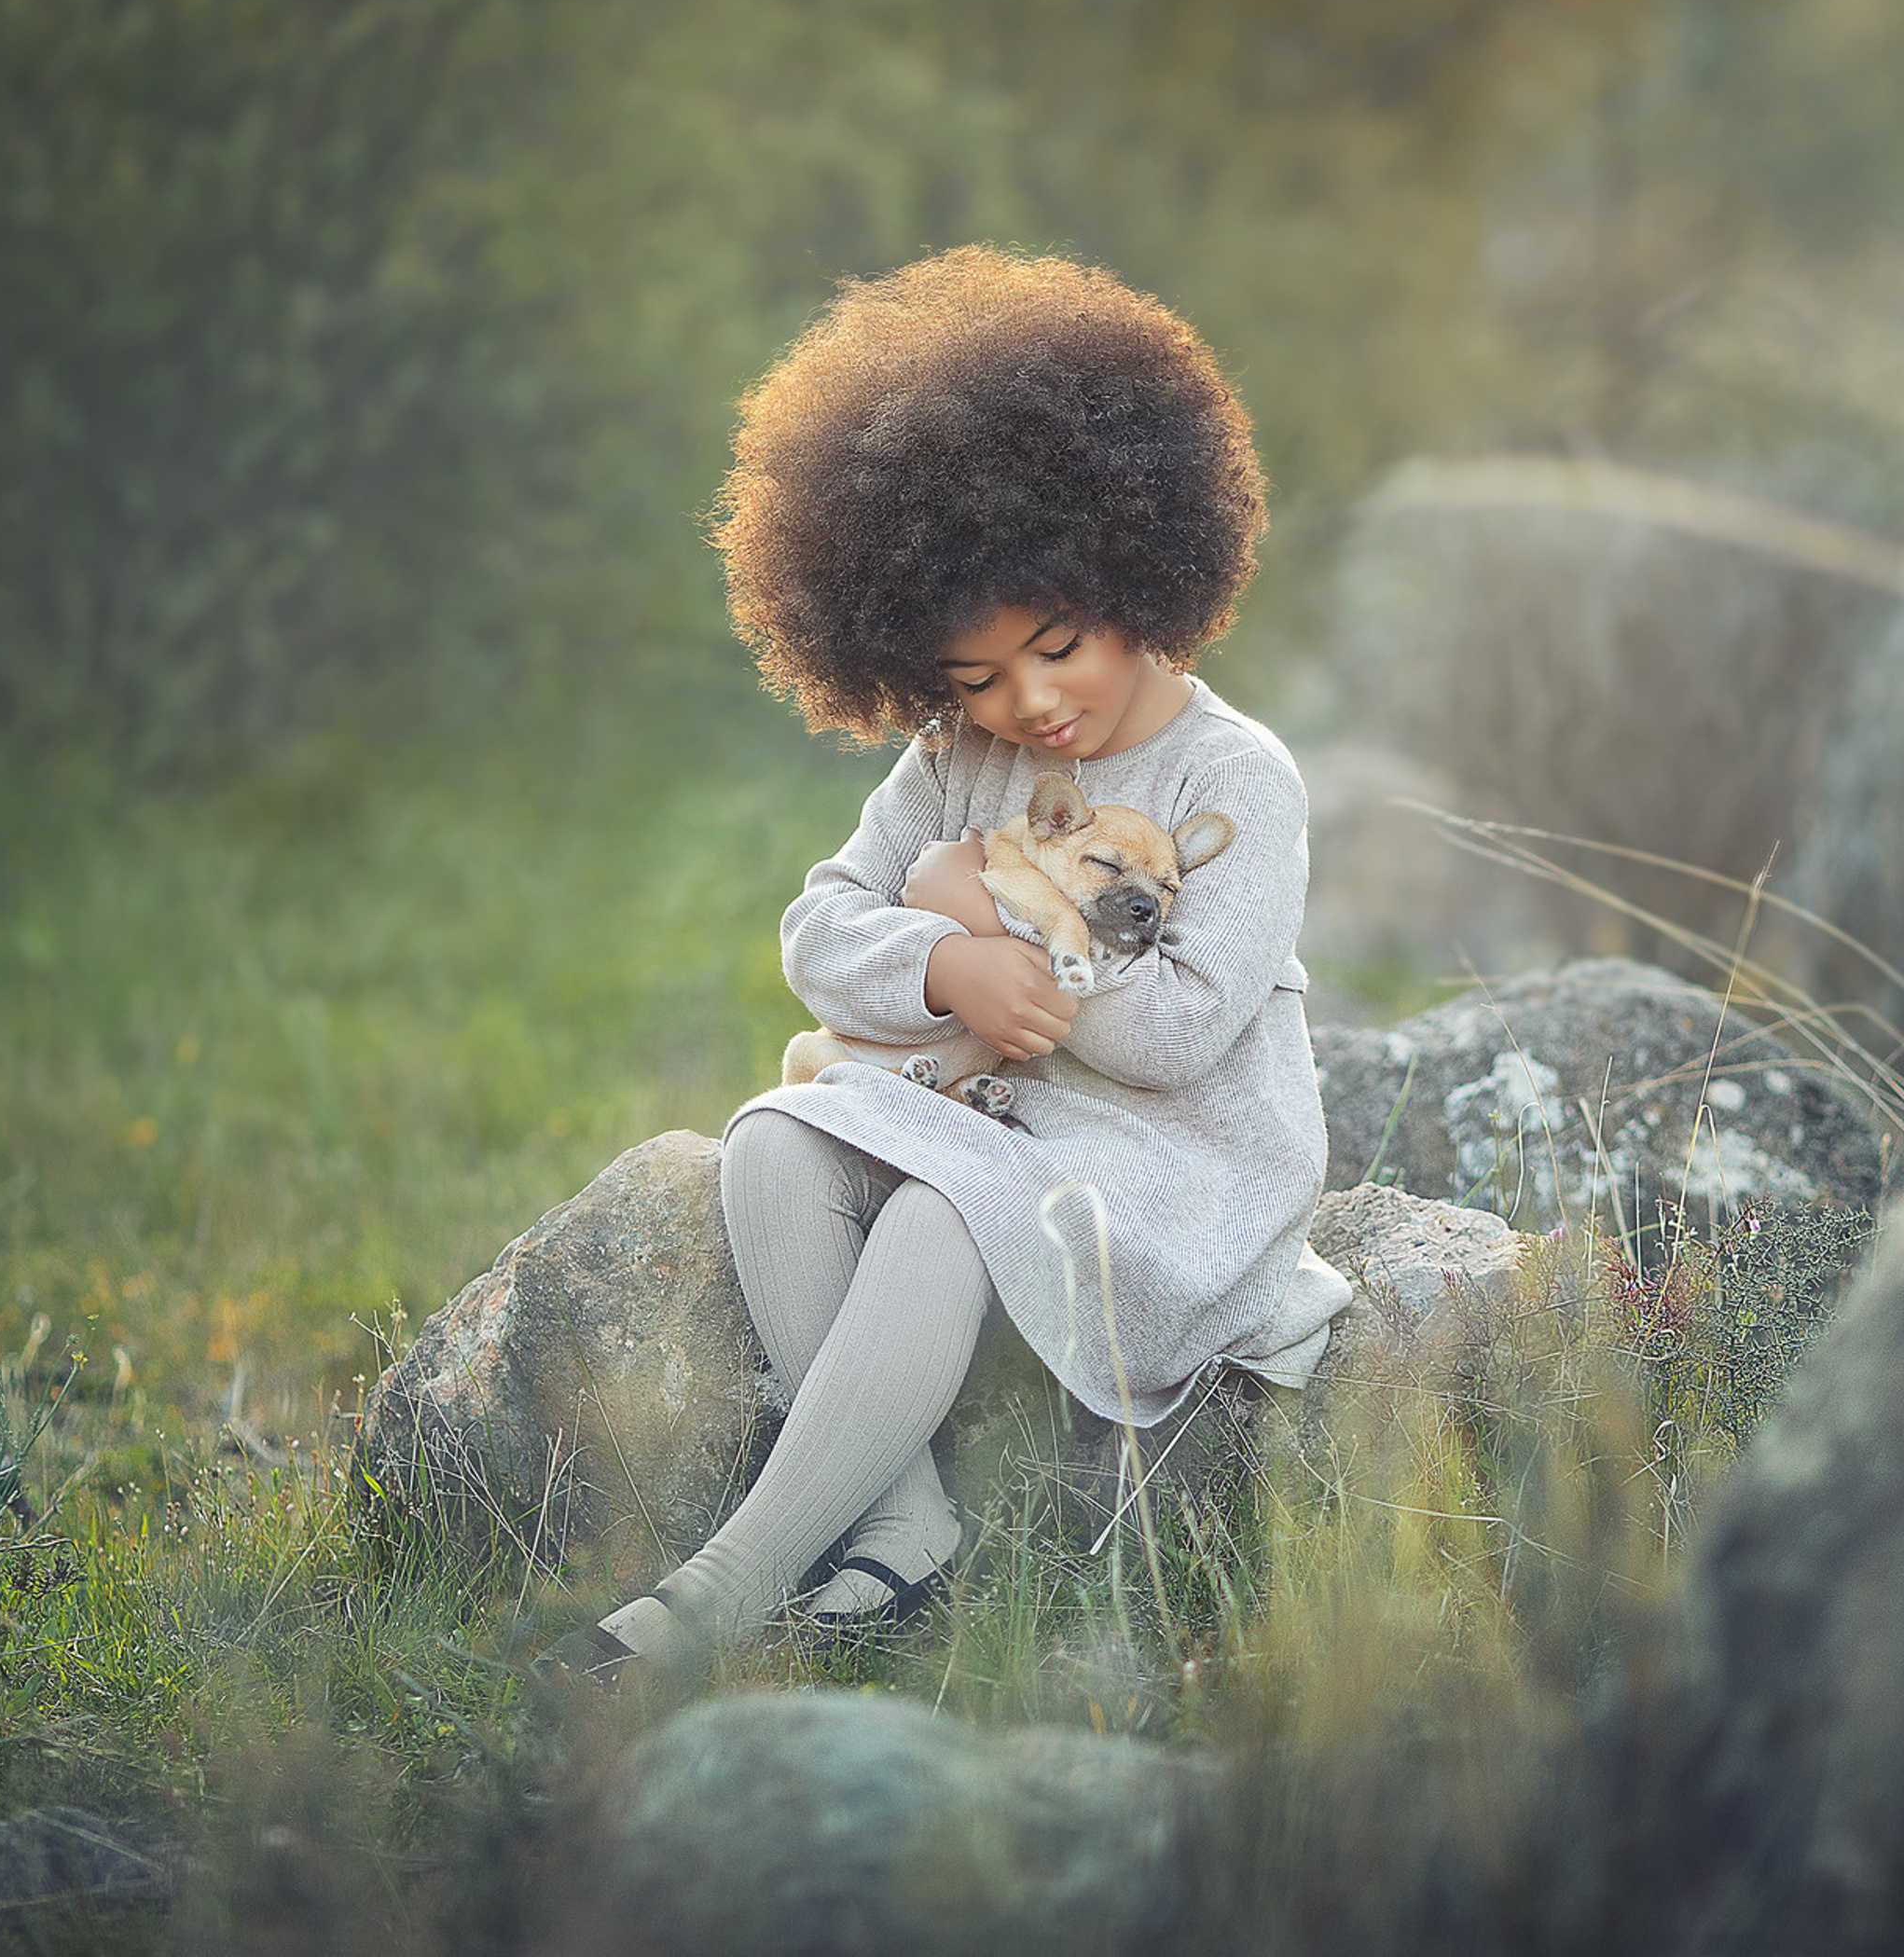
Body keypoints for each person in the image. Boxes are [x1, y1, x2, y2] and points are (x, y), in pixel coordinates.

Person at [559, 247, 1347, 1680]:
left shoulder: (1242, 778)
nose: (1028, 705)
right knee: (771, 1147)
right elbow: (820, 929)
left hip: (1167, 1161)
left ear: (1141, 570)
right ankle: (905, 1522)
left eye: (1056, 647)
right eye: (977, 679)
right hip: (993, 1117)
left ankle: (717, 1599)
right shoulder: (954, 761)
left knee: (941, 1211)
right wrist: (940, 970)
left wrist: (998, 929)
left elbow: (1174, 1038)